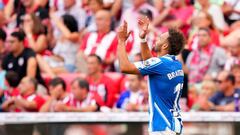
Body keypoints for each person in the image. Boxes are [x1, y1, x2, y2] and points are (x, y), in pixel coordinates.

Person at [117, 16, 185, 134]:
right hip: (174, 126)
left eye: (160, 39)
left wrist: (121, 41)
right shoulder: (176, 64)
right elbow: (151, 63)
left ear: (165, 46)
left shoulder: (160, 64)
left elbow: (124, 67)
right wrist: (143, 39)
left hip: (163, 127)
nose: (156, 40)